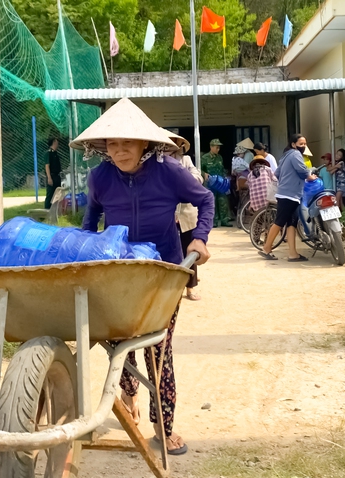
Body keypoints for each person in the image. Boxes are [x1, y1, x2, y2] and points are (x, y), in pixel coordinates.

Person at [75, 98, 214, 455]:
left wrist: (199, 236)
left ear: (145, 145)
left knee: (159, 348)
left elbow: (206, 199)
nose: (119, 150)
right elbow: (90, 221)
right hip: (117, 270)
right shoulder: (101, 177)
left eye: (127, 143)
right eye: (112, 143)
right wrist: (83, 249)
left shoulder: (169, 171)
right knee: (120, 341)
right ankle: (128, 391)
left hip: (162, 273)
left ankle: (163, 428)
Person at [258, 133, 318, 262]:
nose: (303, 146)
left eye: (305, 144)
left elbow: (277, 173)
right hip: (289, 195)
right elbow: (302, 171)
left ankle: (293, 253)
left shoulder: (285, 156)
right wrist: (310, 176)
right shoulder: (296, 154)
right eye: (301, 144)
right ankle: (266, 248)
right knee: (279, 222)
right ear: (293, 144)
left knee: (292, 223)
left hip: (289, 194)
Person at [163, 129, 204, 301]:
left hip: (186, 214)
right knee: (168, 250)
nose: (172, 145)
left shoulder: (185, 160)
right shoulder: (156, 161)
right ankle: (169, 288)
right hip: (165, 214)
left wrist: (183, 177)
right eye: (168, 142)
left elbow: (198, 177)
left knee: (190, 250)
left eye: (175, 142)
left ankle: (190, 287)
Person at [201, 138, 231, 227]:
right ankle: (213, 221)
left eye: (219, 147)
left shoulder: (220, 157)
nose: (218, 149)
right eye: (217, 147)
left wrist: (225, 177)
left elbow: (222, 169)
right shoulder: (204, 157)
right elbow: (199, 169)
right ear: (211, 147)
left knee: (223, 201)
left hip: (220, 183)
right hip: (210, 183)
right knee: (212, 202)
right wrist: (204, 173)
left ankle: (224, 220)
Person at [44, 137, 62, 209]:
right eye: (56, 142)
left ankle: (55, 209)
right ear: (54, 142)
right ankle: (47, 210)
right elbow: (47, 166)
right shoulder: (48, 153)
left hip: (57, 176)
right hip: (51, 176)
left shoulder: (55, 153)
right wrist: (49, 177)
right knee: (50, 194)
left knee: (58, 194)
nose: (58, 143)